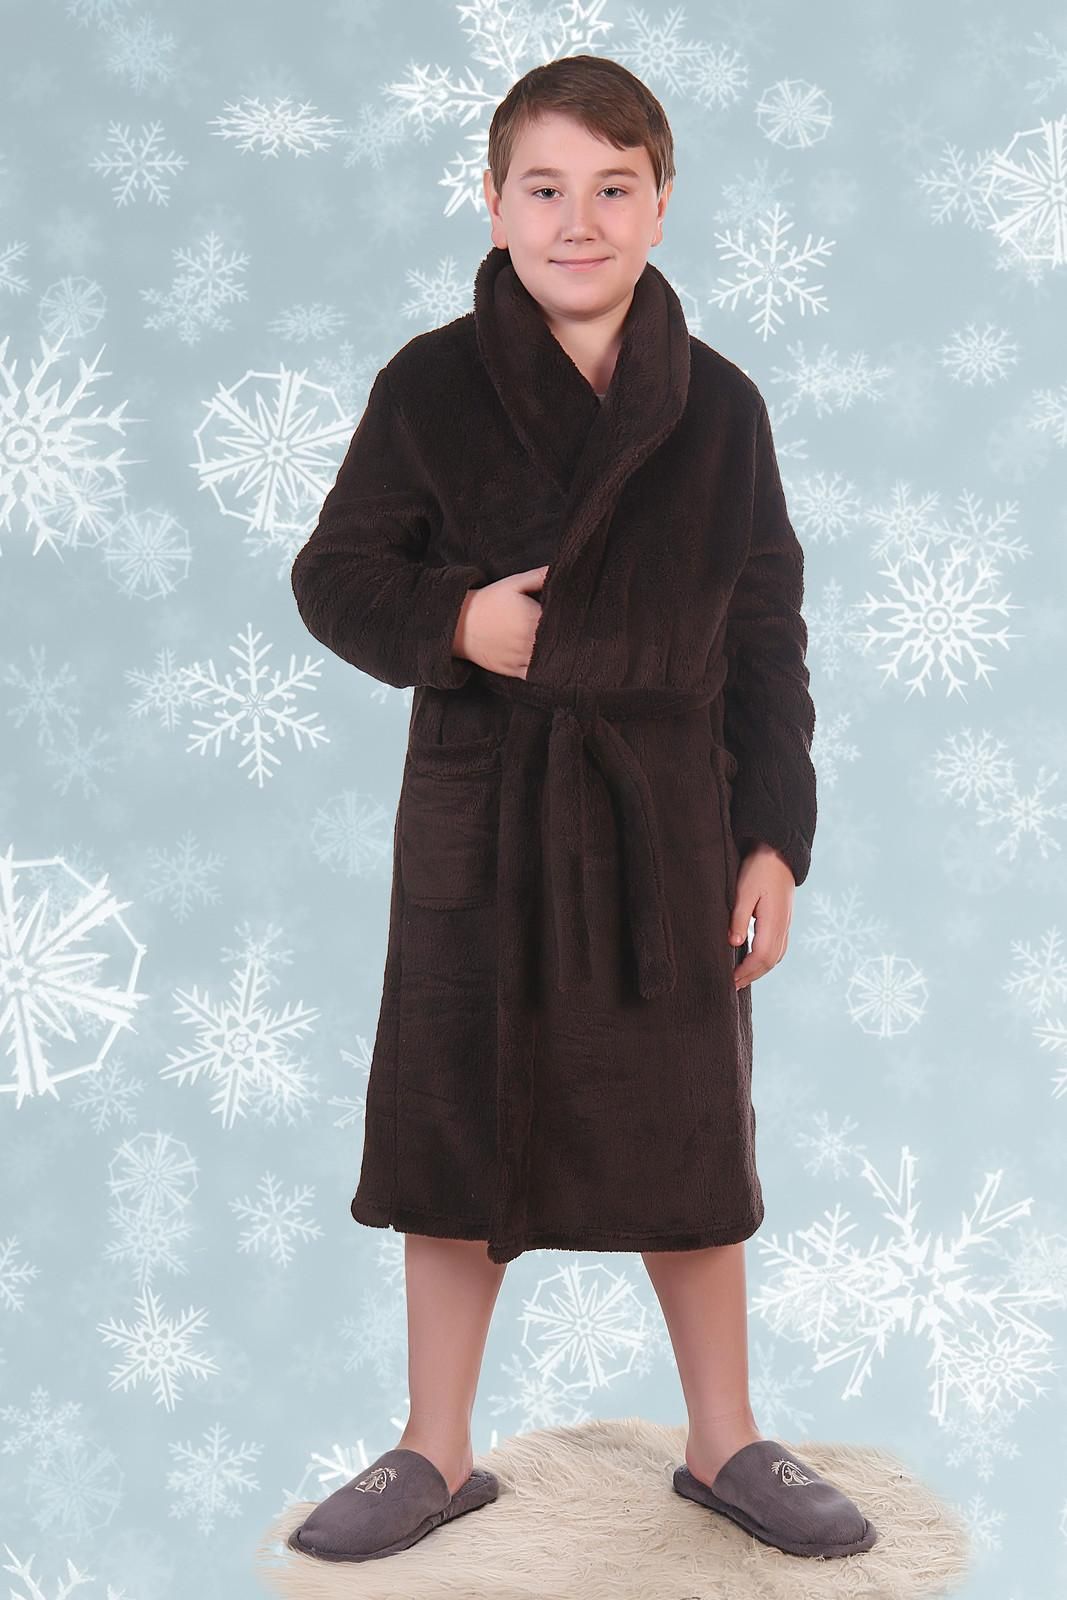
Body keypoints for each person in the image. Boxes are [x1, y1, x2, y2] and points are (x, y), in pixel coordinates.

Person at [286, 55, 877, 1567]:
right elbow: (334, 576)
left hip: (665, 817)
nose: (578, 220)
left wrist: (773, 839)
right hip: (484, 812)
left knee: (688, 1127)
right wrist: (457, 623)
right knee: (454, 1118)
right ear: (493, 205)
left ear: (662, 206)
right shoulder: (430, 386)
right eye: (544, 189)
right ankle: (434, 1446)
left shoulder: (720, 407)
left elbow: (768, 637)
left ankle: (724, 1435)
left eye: (614, 189)